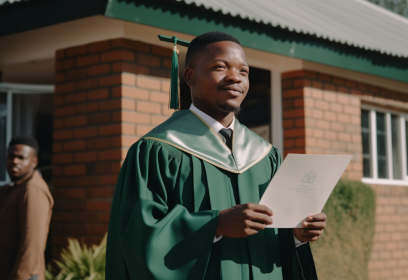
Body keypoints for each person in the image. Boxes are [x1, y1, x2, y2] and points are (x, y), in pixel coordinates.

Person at [106, 31, 326, 279]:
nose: (235, 77)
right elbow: (138, 237)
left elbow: (275, 236)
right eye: (220, 67)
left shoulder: (265, 155)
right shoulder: (157, 150)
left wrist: (296, 236)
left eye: (243, 71)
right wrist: (214, 225)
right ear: (190, 76)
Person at [0, 136, 54, 280]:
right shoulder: (11, 189)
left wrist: (20, 276)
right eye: (11, 156)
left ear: (34, 162)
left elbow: (32, 244)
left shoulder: (33, 189)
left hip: (23, 275)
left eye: (21, 158)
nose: (15, 161)